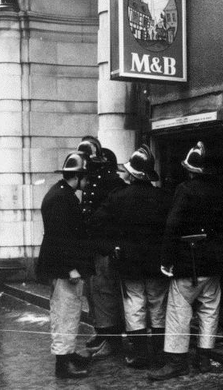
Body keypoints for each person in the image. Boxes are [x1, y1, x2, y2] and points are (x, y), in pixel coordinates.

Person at [149, 141, 223, 381]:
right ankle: (205, 358)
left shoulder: (184, 190)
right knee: (209, 310)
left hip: (188, 261)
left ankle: (177, 361)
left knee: (178, 311)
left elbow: (173, 225)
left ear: (189, 169)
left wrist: (166, 260)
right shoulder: (220, 189)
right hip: (213, 263)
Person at [89, 145, 171, 369]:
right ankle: (160, 352)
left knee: (134, 305)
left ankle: (140, 354)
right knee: (157, 304)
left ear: (132, 173)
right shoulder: (163, 197)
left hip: (129, 262)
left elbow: (96, 222)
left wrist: (112, 244)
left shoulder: (118, 197)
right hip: (156, 262)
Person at [35, 151, 94, 378]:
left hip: (62, 266)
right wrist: (71, 267)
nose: (87, 182)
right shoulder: (62, 198)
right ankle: (63, 365)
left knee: (68, 311)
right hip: (64, 268)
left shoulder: (61, 193)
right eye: (85, 177)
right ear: (77, 176)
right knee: (65, 313)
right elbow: (60, 237)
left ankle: (67, 354)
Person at [80, 142, 128, 359]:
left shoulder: (113, 183)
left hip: (106, 246)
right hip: (93, 245)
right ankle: (102, 332)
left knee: (106, 293)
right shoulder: (92, 181)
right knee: (93, 292)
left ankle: (113, 340)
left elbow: (113, 214)